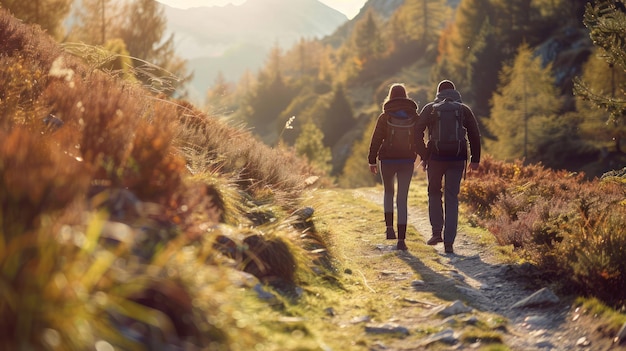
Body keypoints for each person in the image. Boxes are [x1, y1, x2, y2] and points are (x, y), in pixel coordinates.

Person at [416, 80, 481, 254]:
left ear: (438, 93)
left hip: (436, 159)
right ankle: (449, 242)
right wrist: (475, 159)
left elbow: (416, 132)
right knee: (452, 197)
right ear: (455, 92)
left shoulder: (430, 108)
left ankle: (437, 232)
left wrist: (425, 154)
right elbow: (475, 134)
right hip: (457, 158)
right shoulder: (463, 109)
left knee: (434, 193)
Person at [368, 83, 419, 251]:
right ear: (405, 96)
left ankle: (390, 230)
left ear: (390, 96)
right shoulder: (414, 115)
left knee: (388, 192)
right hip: (407, 161)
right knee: (402, 198)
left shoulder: (385, 116)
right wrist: (425, 157)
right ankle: (402, 240)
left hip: (387, 160)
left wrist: (372, 160)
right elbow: (419, 139)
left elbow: (376, 139)